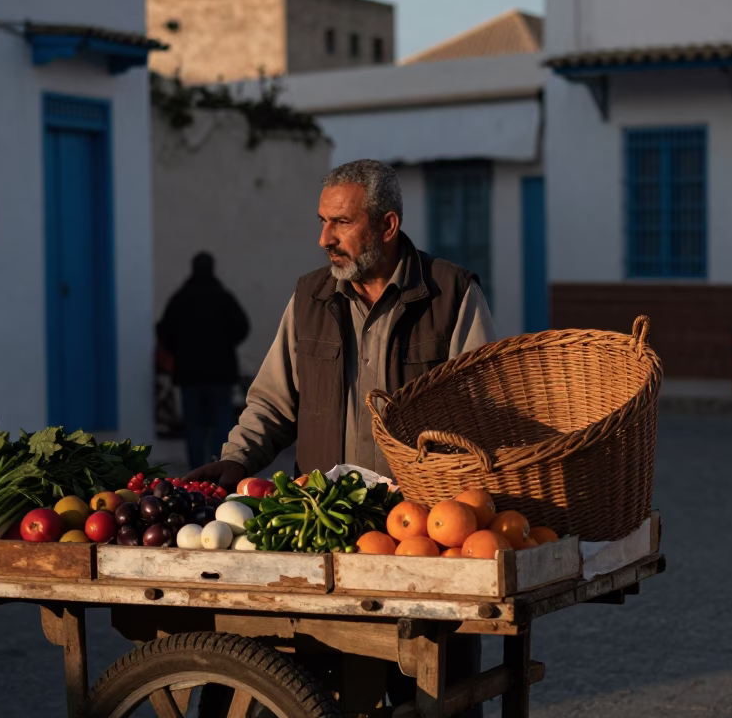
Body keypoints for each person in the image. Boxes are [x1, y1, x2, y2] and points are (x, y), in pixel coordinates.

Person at [187, 158, 496, 714]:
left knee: (431, 695)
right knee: (321, 685)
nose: (324, 238)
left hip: (422, 540)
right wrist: (234, 462)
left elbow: (481, 419)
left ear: (387, 226)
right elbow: (273, 402)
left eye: (341, 223)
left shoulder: (453, 296)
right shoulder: (309, 299)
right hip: (325, 532)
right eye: (323, 221)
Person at [156, 252, 250, 468]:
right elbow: (242, 326)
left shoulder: (181, 298)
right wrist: (226, 346)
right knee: (220, 423)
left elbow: (164, 330)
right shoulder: (223, 297)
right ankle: (219, 465)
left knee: (194, 424)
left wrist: (180, 351)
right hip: (221, 373)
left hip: (190, 374)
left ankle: (197, 469)